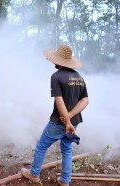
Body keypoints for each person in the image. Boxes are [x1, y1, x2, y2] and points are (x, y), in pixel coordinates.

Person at [21, 44, 89, 186]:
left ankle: (34, 174)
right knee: (66, 149)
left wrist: (66, 121)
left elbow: (59, 101)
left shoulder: (56, 76)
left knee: (41, 146)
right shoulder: (79, 77)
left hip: (59, 122)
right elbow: (85, 100)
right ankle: (65, 180)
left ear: (58, 61)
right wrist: (70, 118)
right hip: (74, 121)